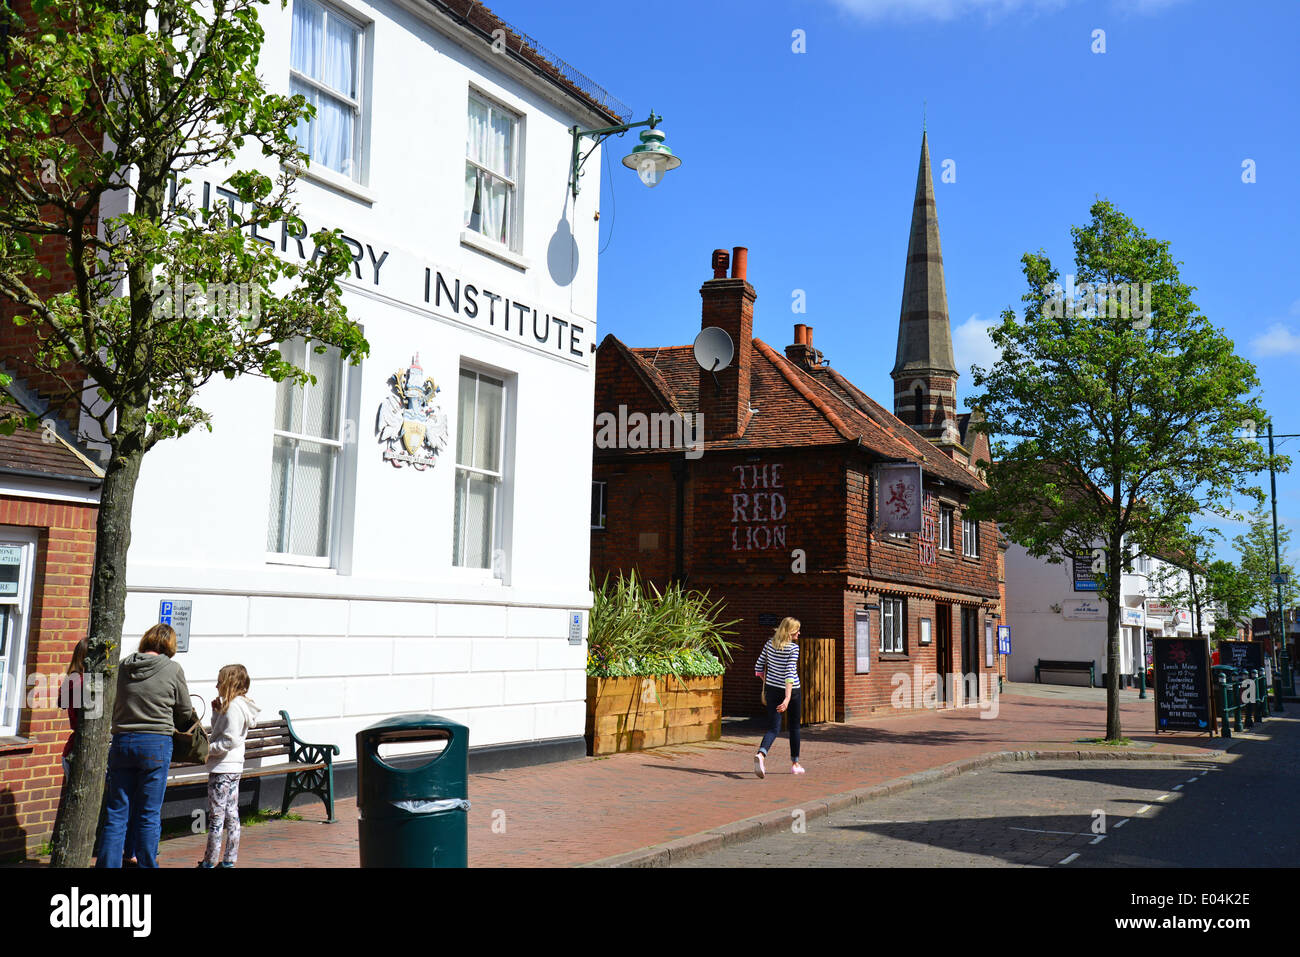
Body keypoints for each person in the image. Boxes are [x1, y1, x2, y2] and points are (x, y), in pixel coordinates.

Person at [96, 623, 196, 868]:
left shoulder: (122, 666)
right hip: (156, 744)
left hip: (122, 741)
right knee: (148, 813)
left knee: (117, 812)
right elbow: (184, 711)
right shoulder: (172, 669)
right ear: (170, 645)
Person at [200, 664, 259, 869]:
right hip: (234, 767)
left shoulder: (233, 706)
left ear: (229, 683)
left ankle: (210, 860)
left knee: (217, 816)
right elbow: (222, 729)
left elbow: (228, 740)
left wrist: (207, 749)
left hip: (222, 768)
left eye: (220, 681)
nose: (216, 685)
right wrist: (216, 712)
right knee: (231, 813)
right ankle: (229, 859)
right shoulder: (239, 705)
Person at [753, 616, 804, 778]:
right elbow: (789, 675)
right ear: (790, 632)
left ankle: (761, 755)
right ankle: (795, 764)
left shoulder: (769, 644)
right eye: (797, 630)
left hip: (771, 690)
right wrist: (787, 699)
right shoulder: (793, 649)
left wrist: (768, 681)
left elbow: (758, 668)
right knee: (794, 727)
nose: (799, 633)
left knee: (773, 728)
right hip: (792, 692)